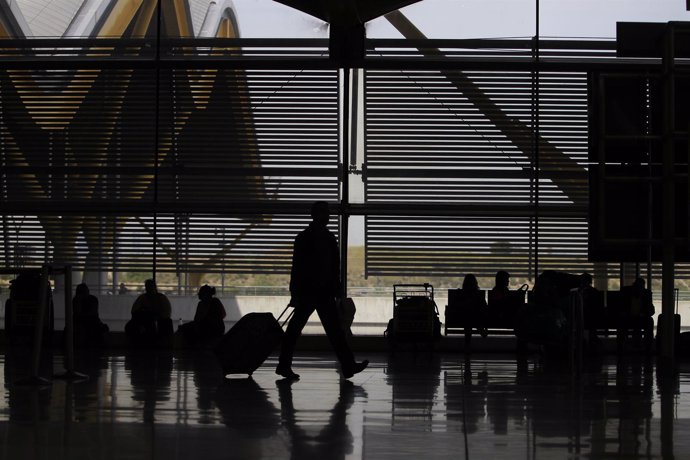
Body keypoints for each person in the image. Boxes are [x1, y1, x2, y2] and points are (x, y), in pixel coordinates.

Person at [276, 201, 368, 380]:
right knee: (334, 332)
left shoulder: (304, 238)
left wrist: (295, 292)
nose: (328, 216)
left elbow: (298, 268)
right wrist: (336, 289)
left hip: (310, 292)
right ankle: (348, 366)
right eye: (325, 213)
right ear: (317, 215)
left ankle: (284, 365)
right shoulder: (327, 238)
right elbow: (333, 267)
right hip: (320, 293)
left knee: (295, 331)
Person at [125, 279, 173, 345]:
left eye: (150, 287)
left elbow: (167, 313)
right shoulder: (144, 298)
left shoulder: (160, 298)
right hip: (146, 320)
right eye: (148, 287)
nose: (149, 289)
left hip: (154, 319)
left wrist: (155, 316)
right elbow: (134, 311)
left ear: (155, 287)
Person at [618, 277, 655, 353]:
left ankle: (648, 345)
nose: (639, 290)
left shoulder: (646, 295)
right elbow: (621, 307)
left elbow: (651, 310)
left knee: (649, 321)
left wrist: (644, 314)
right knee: (622, 320)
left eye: (641, 288)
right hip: (628, 317)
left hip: (641, 318)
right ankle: (621, 345)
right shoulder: (627, 294)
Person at [72, 283, 109, 347]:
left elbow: (78, 314)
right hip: (87, 323)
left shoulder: (78, 300)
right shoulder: (91, 299)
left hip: (87, 322)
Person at [460, 274, 488, 339]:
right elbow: (484, 306)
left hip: (464, 317)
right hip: (476, 316)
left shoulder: (462, 294)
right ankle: (479, 328)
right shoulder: (478, 294)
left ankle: (467, 344)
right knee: (471, 314)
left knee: (468, 317)